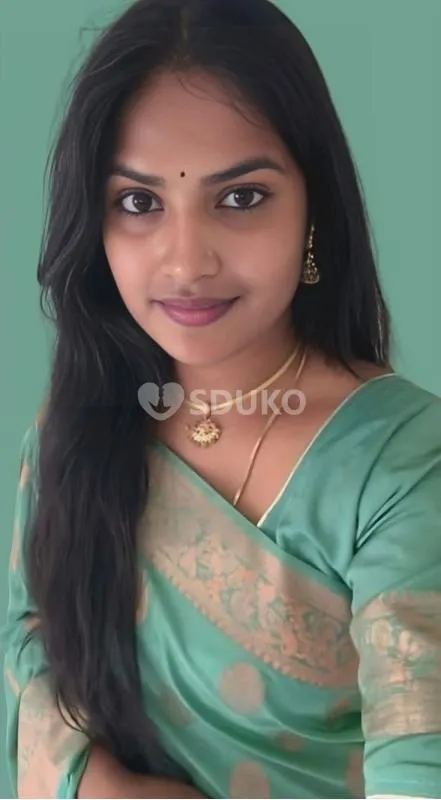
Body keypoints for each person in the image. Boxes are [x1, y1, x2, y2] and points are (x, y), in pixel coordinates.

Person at [2, 0, 441, 797]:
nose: (186, 262)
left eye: (239, 198)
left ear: (313, 208)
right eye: (139, 203)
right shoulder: (76, 427)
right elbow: (28, 642)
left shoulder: (401, 464)